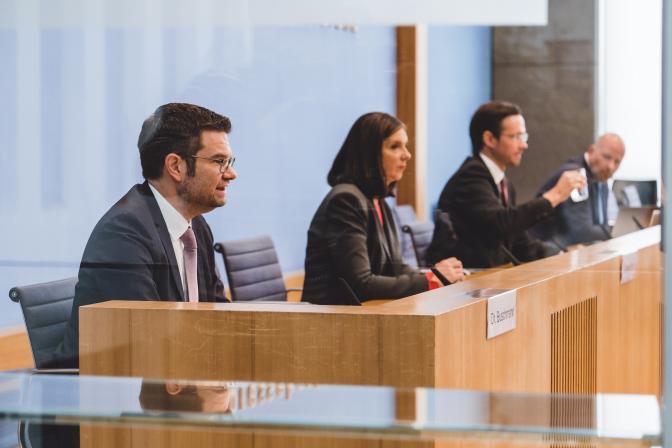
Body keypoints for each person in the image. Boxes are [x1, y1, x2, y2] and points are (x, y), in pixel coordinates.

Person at [51, 103, 235, 368]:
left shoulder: (196, 225)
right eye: (219, 161)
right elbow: (149, 338)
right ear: (176, 166)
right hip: (100, 395)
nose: (231, 174)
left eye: (229, 162)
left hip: (170, 382)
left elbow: (217, 311)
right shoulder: (124, 233)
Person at [302, 112, 464, 306]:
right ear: (369, 154)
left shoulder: (378, 200)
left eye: (405, 146)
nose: (407, 155)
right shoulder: (346, 200)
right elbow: (361, 283)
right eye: (395, 147)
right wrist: (428, 281)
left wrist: (436, 276)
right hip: (331, 322)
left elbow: (395, 267)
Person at [426, 101, 586, 268]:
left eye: (523, 136)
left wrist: (563, 254)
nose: (524, 145)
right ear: (489, 139)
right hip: (463, 283)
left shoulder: (504, 184)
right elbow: (501, 224)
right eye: (515, 137)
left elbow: (519, 243)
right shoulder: (470, 177)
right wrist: (556, 195)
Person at [530, 133, 626, 247]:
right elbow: (581, 231)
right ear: (591, 150)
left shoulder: (600, 177)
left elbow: (600, 223)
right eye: (607, 157)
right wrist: (622, 232)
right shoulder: (575, 175)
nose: (611, 167)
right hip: (542, 254)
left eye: (617, 162)